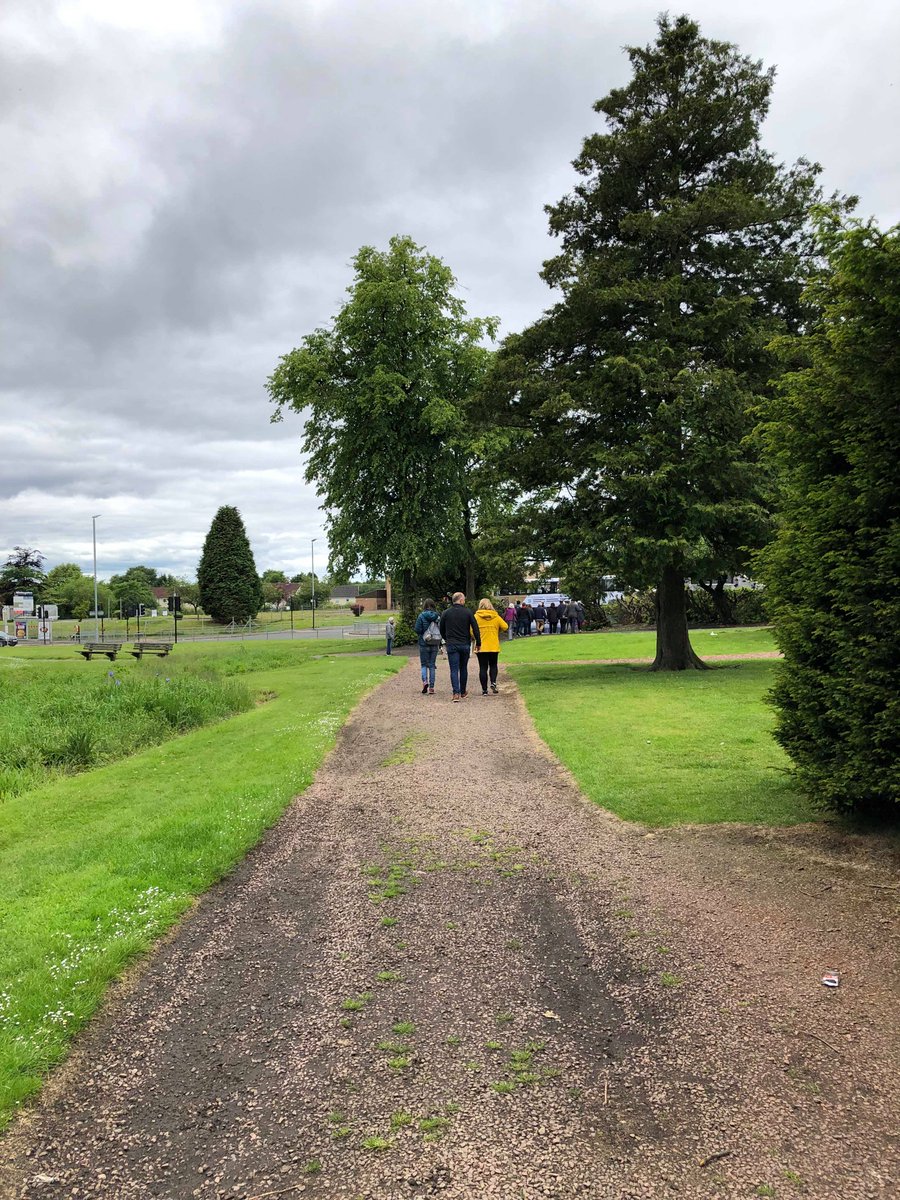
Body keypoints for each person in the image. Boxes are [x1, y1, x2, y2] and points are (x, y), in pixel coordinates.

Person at [439, 592, 480, 702]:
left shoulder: (446, 613)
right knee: (463, 668)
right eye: (464, 599)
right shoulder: (467, 612)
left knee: (453, 669)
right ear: (461, 600)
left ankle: (455, 693)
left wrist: (446, 638)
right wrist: (478, 642)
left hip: (452, 643)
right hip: (464, 643)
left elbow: (441, 628)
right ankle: (462, 691)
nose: (465, 601)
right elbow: (475, 628)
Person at [473, 599, 508, 695]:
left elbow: (471, 630)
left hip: (481, 646)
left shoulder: (476, 617)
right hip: (493, 645)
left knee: (483, 667)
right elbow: (505, 626)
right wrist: (496, 630)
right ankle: (493, 682)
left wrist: (475, 637)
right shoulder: (495, 616)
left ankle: (484, 690)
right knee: (493, 665)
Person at [414, 599, 441, 694]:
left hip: (424, 643)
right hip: (435, 642)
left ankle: (425, 682)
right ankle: (432, 688)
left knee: (424, 665)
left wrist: (423, 633)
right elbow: (441, 628)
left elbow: (417, 629)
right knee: (432, 665)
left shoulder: (421, 616)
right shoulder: (437, 616)